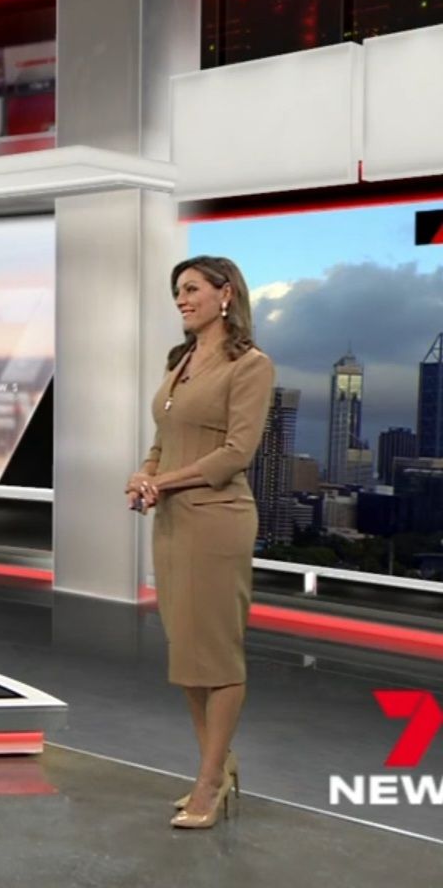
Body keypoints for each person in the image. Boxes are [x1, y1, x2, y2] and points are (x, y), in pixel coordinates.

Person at [125, 255, 275, 829]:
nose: (182, 300)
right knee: (187, 654)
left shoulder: (251, 366)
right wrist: (144, 473)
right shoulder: (181, 361)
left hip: (217, 522)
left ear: (225, 293)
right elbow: (163, 439)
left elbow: (236, 453)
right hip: (172, 522)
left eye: (191, 289)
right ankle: (219, 763)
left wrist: (161, 482)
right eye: (177, 292)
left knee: (217, 654)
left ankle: (209, 783)